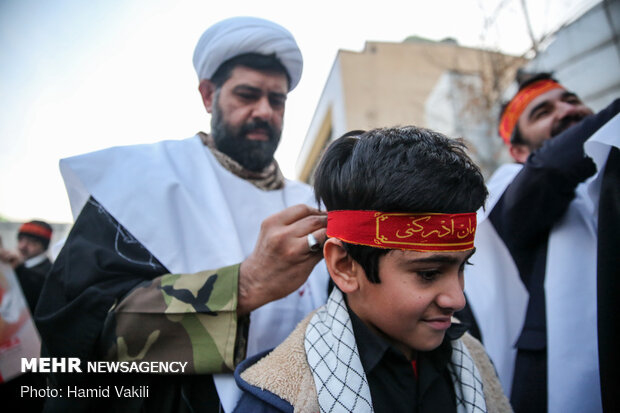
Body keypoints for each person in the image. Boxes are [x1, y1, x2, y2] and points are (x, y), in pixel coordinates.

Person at [34, 17, 330, 412]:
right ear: (208, 96)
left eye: (277, 100)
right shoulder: (137, 181)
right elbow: (79, 329)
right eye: (247, 95)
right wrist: (242, 287)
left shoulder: (313, 200)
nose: (264, 111)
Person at [233, 126, 513, 413]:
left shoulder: (475, 362)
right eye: (428, 274)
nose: (457, 300)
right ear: (344, 266)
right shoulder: (277, 400)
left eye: (463, 266)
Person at [463, 72, 619, 412]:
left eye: (572, 100)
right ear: (518, 150)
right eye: (542, 112)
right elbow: (550, 168)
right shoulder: (511, 193)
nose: (566, 110)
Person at [0, 220, 53, 313]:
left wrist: (19, 268)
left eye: (32, 242)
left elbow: (36, 286)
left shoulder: (50, 271)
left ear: (44, 246)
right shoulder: (19, 265)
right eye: (21, 239)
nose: (22, 246)